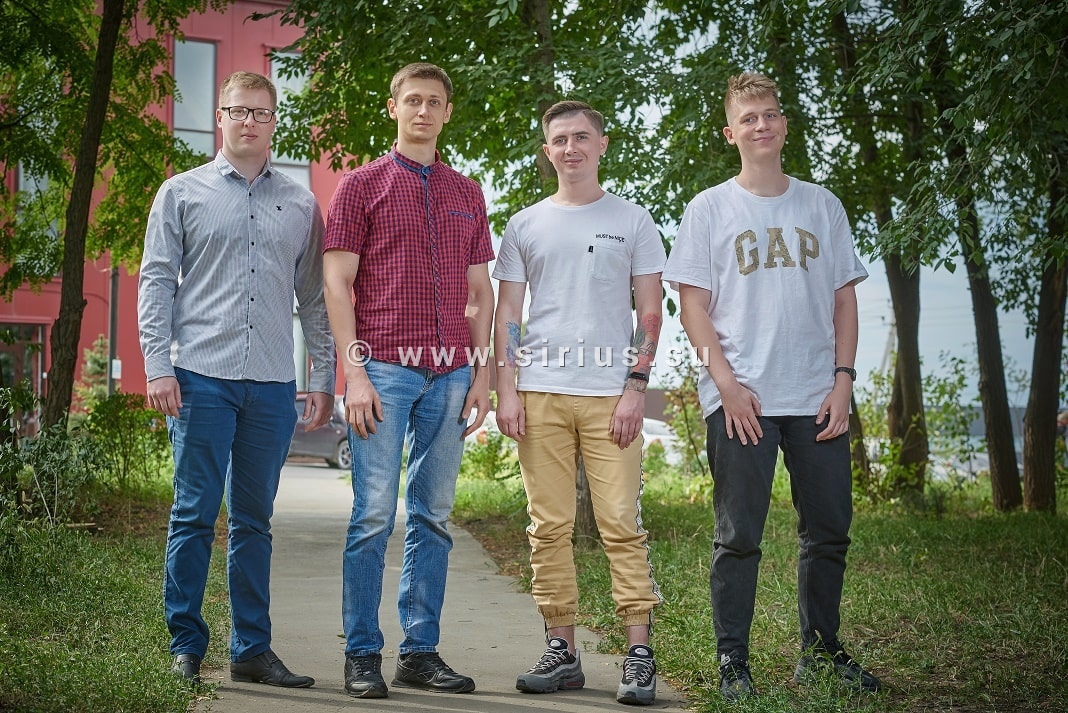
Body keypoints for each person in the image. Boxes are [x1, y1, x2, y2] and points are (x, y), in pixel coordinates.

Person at [661, 72, 882, 701]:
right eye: (748, 117)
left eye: (770, 114)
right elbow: (693, 308)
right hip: (742, 400)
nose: (761, 125)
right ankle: (733, 662)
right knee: (739, 536)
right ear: (730, 133)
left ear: (784, 124)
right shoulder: (709, 208)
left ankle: (821, 652)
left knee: (829, 530)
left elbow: (844, 301)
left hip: (816, 395)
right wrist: (726, 385)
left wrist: (843, 381)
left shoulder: (822, 205)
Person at [138, 71, 336, 688]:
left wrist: (322, 374)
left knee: (255, 522)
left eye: (261, 112)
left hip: (272, 384)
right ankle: (186, 646)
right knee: (194, 514)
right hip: (200, 377)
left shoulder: (301, 204)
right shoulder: (181, 193)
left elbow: (314, 298)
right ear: (220, 117)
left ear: (275, 122)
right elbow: (155, 280)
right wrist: (157, 366)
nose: (249, 121)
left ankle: (252, 649)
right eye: (238, 111)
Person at [322, 62, 495, 700]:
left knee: (434, 516)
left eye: (435, 101)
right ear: (393, 107)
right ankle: (362, 653)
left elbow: (480, 293)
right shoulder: (359, 185)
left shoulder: (467, 192)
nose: (424, 110)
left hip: (451, 374)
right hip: (384, 372)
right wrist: (355, 372)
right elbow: (337, 282)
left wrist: (481, 375)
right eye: (413, 100)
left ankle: (420, 652)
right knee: (372, 515)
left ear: (447, 112)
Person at [493, 100, 666, 706]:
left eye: (582, 137)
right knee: (548, 527)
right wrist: (507, 388)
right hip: (539, 394)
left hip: (610, 398)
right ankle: (562, 651)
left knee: (621, 525)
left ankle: (638, 655)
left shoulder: (634, 220)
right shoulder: (525, 224)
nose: (571, 148)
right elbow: (508, 312)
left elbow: (651, 311)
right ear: (548, 150)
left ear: (602, 144)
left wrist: (635, 389)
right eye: (560, 139)